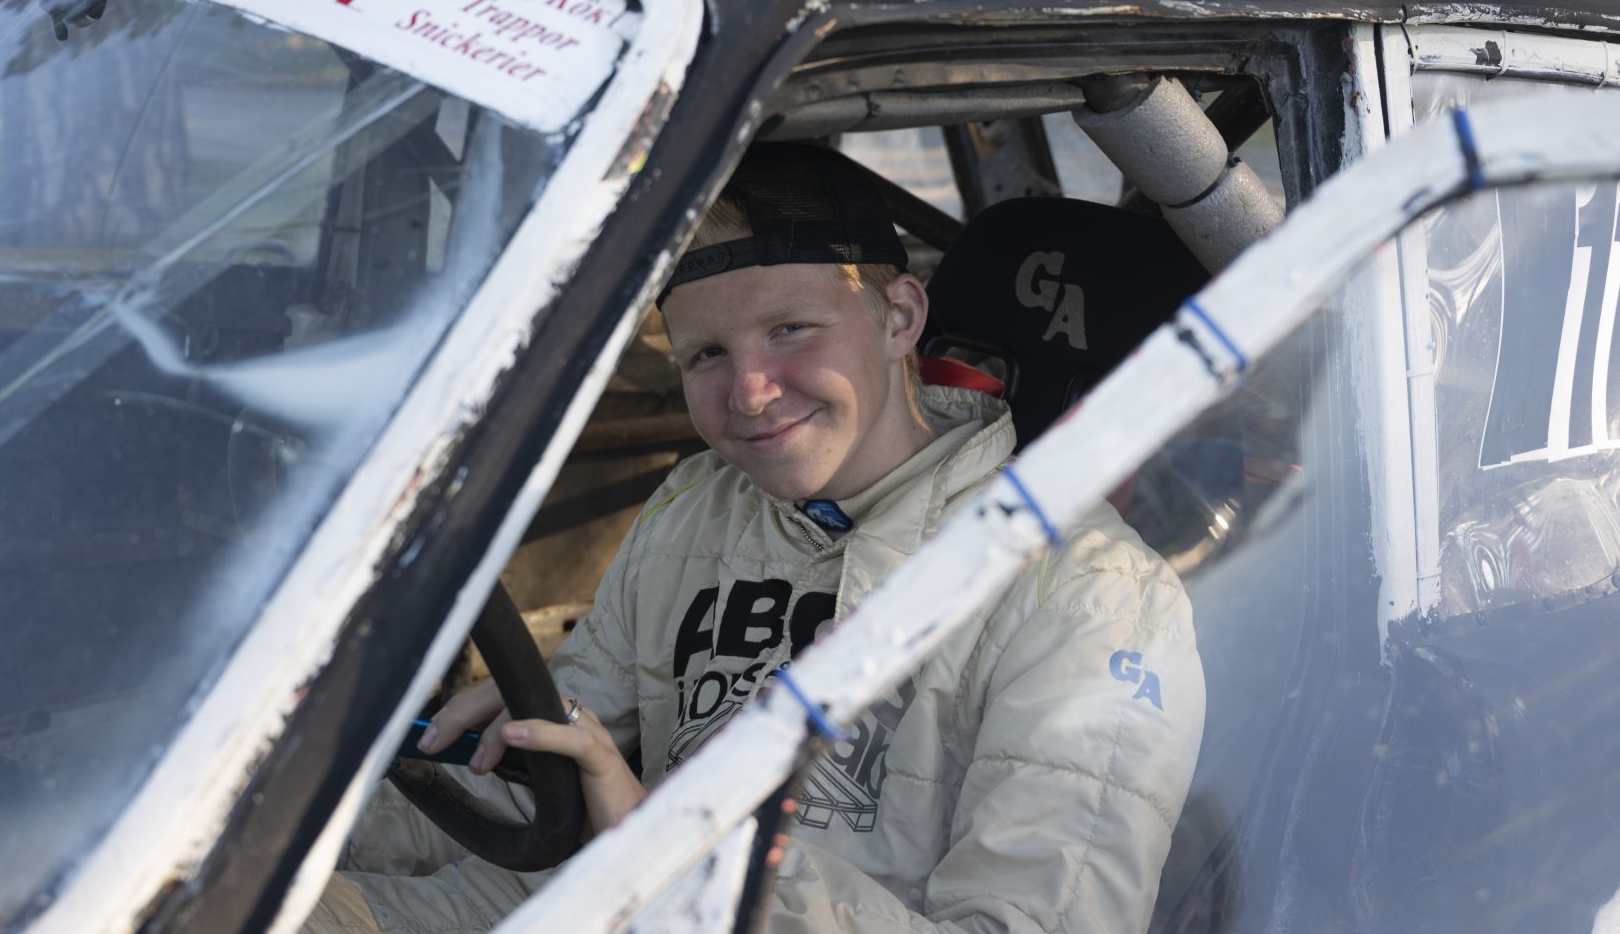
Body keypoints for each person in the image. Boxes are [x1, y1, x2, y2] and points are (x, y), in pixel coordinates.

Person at [306, 142, 1205, 932]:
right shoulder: (701, 502)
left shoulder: (1089, 597)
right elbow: (544, 787)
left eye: (790, 332)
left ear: (899, 317)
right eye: (706, 355)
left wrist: (673, 852)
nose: (750, 392)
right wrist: (293, 806)